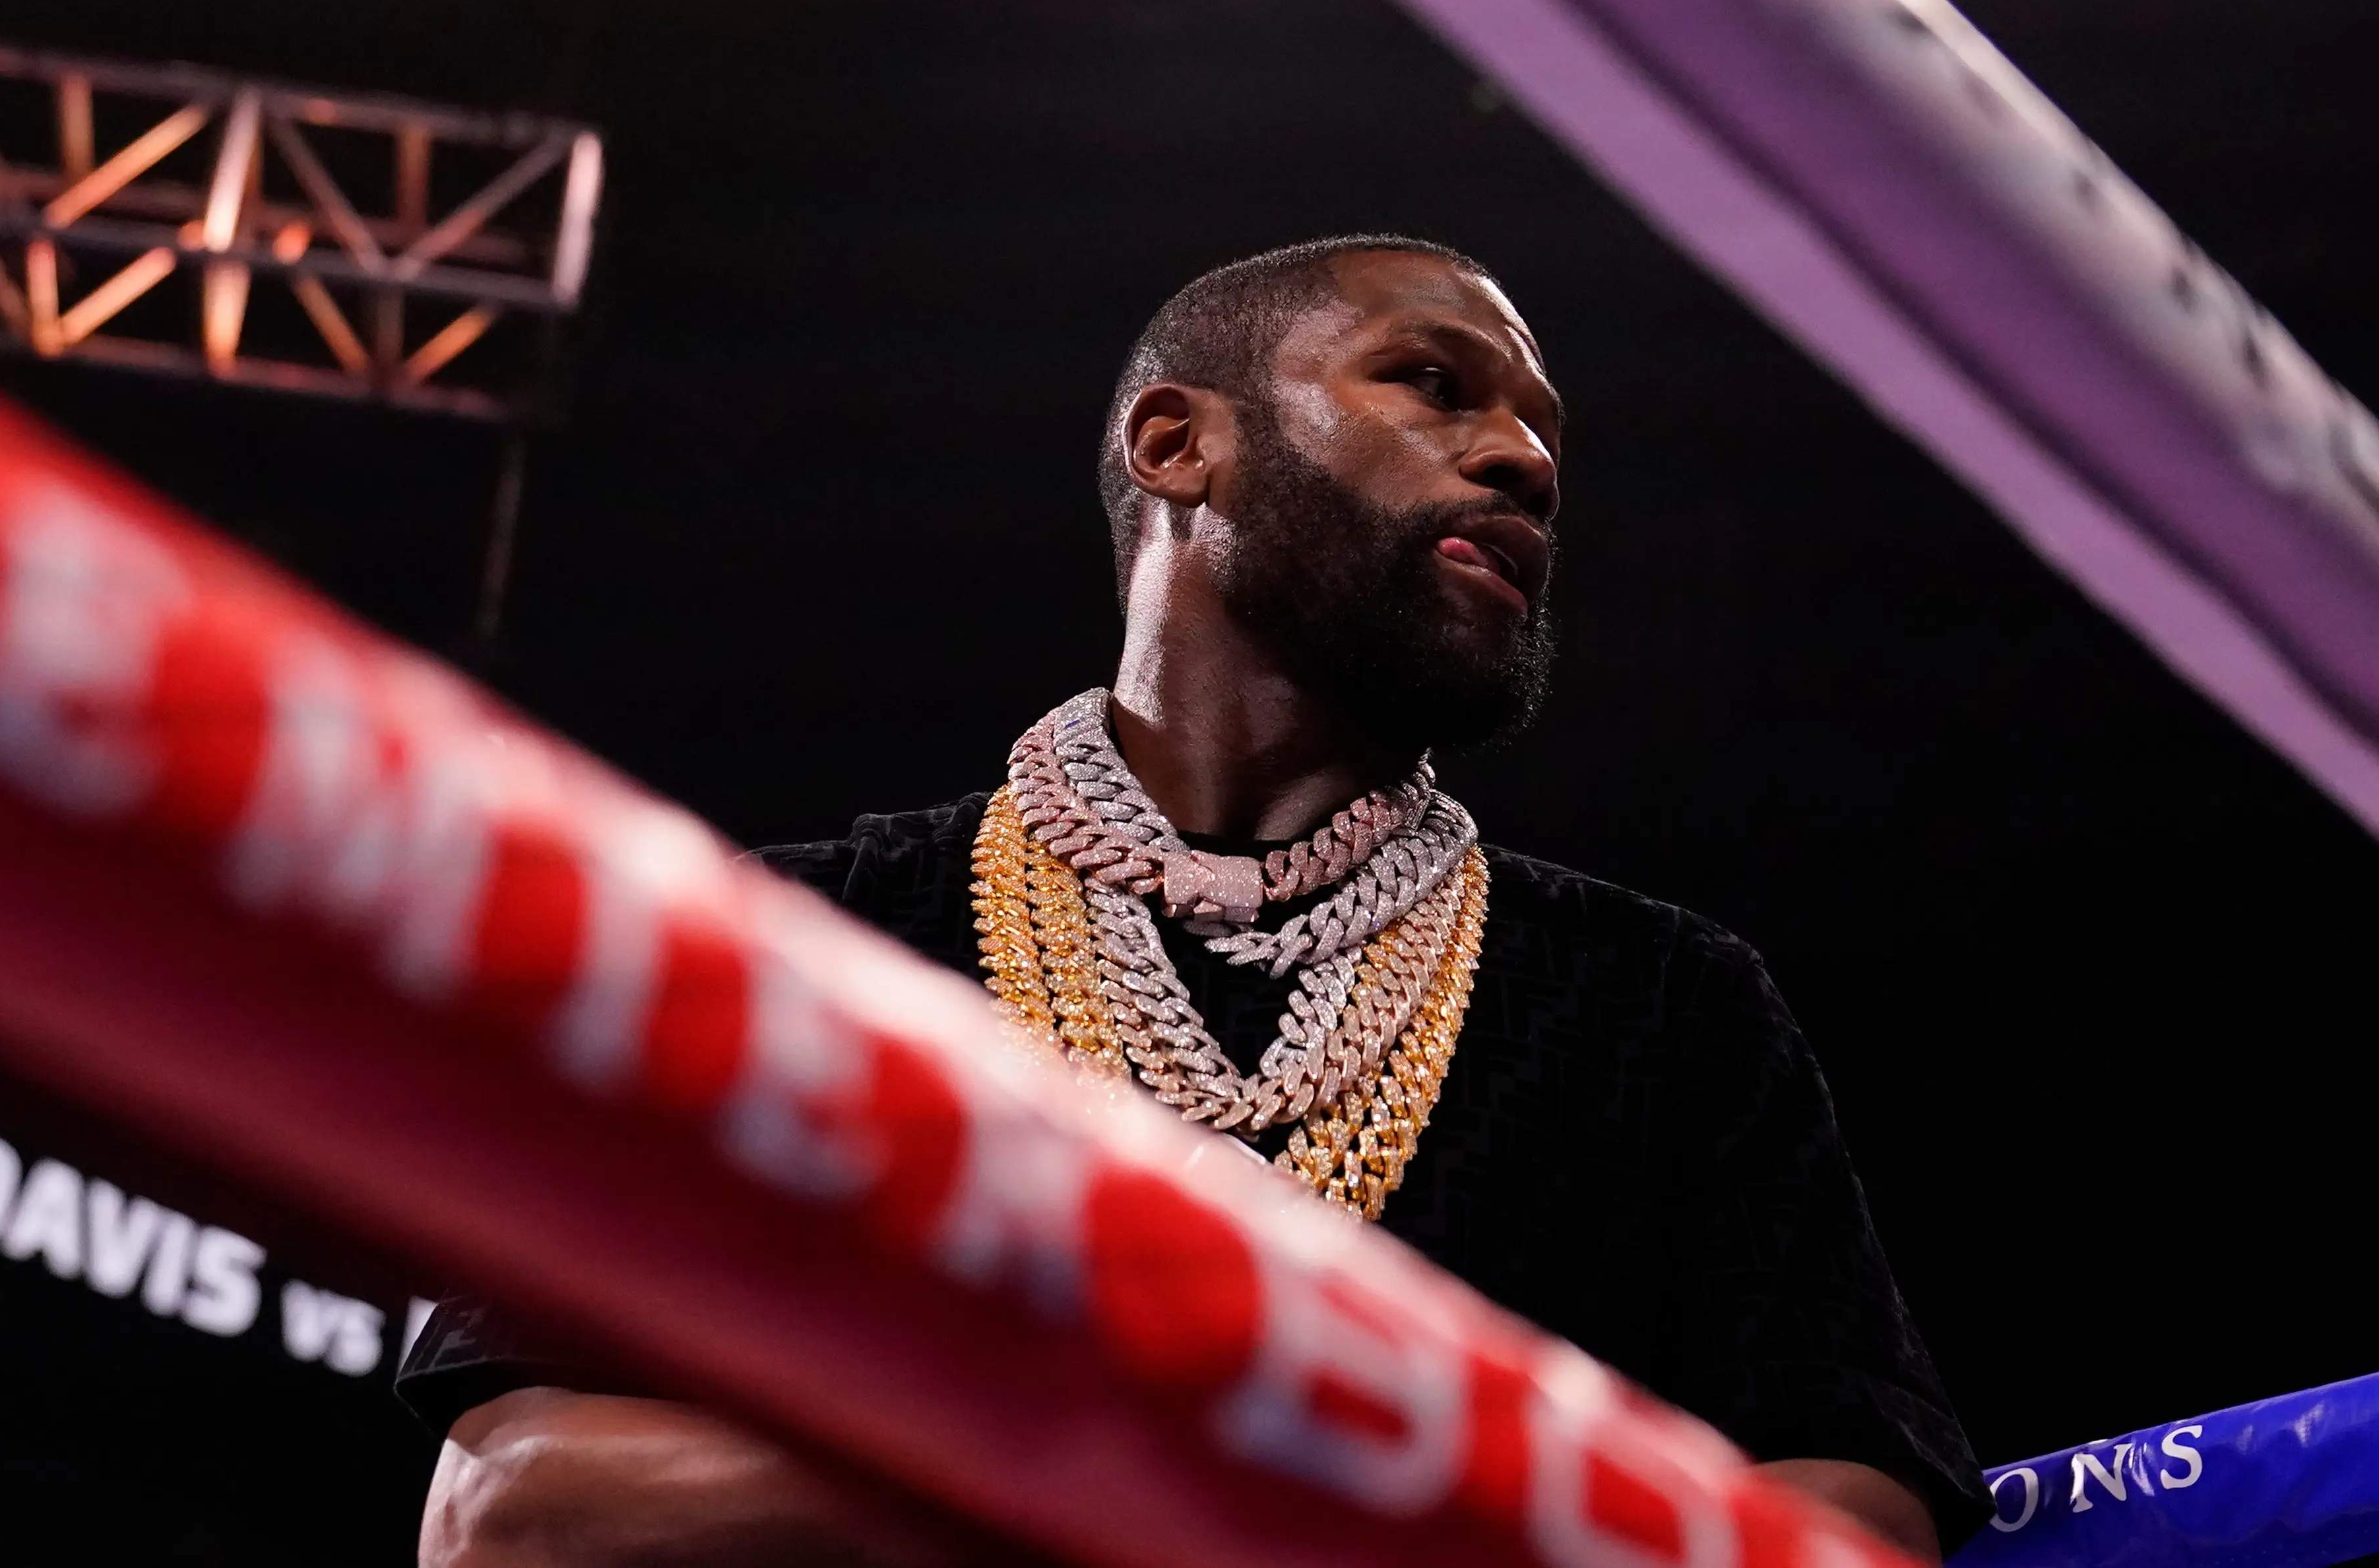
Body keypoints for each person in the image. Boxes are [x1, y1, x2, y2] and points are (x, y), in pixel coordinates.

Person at [403, 237, 1988, 1565]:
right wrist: (1110, 1460)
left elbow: (1855, 1514)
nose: (1524, 457)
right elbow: (513, 1507)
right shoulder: (794, 946)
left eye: (1539, 431)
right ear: (1179, 445)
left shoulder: (1663, 1004)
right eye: (1435, 383)